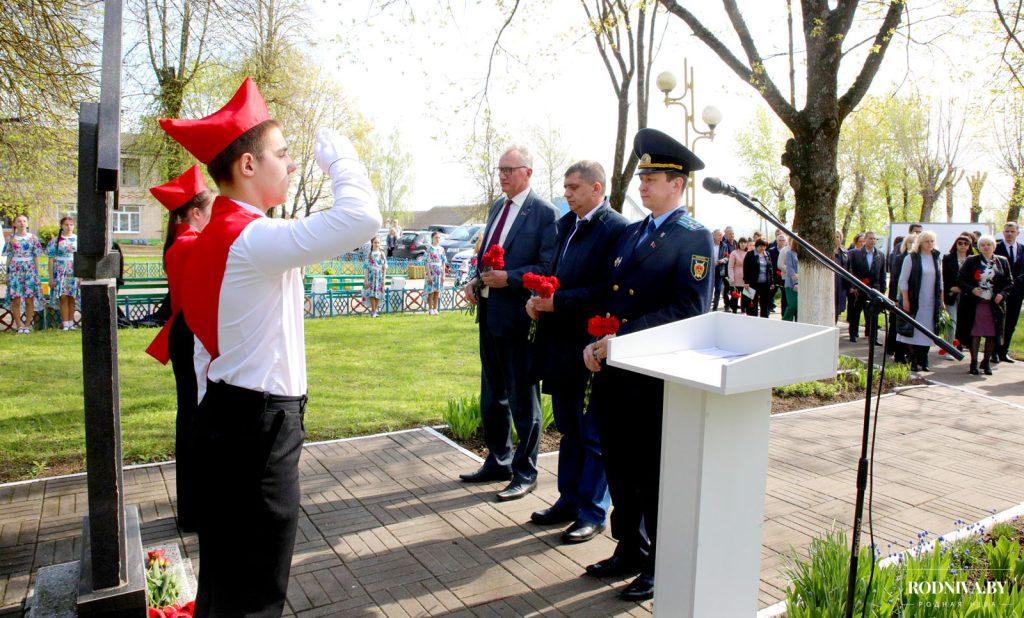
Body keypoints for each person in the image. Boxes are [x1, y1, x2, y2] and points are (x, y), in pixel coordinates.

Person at [160, 77, 381, 616]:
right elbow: (361, 218)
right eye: (282, 154)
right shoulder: (250, 237)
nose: (292, 164)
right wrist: (343, 162)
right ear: (248, 166)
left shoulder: (230, 232)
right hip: (257, 429)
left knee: (229, 582)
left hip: (235, 416)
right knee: (256, 591)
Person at [581, 128, 712, 602]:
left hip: (653, 377)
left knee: (651, 473)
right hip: (617, 372)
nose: (642, 185)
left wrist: (621, 340)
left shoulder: (692, 237)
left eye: (652, 177)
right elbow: (608, 297)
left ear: (677, 184)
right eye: (641, 177)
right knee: (619, 466)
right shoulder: (633, 233)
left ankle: (659, 561)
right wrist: (595, 343)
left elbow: (687, 309)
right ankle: (629, 549)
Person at [527, 160, 626, 545]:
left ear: (596, 189)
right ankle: (568, 501)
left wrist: (560, 302)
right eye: (565, 187)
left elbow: (606, 290)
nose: (566, 194)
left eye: (573, 187)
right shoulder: (566, 224)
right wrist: (538, 298)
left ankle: (593, 511)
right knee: (568, 428)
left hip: (589, 345)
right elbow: (555, 274)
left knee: (592, 433)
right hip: (560, 344)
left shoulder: (614, 229)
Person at [459, 144, 558, 502]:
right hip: (489, 314)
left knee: (521, 397)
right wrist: (476, 280)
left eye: (509, 170)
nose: (502, 175)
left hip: (518, 317)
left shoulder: (544, 213)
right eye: (499, 169)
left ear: (528, 172)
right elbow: (487, 257)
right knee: (492, 396)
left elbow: (546, 268)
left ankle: (526, 471)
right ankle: (498, 459)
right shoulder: (498, 207)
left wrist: (510, 278)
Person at [144, 165, 214, 534]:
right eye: (212, 208)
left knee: (192, 416)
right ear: (195, 213)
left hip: (185, 333)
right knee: (194, 419)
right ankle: (194, 510)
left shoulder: (181, 241)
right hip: (191, 335)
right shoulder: (190, 243)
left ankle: (194, 508)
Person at [957, 235, 1014, 375]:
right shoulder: (971, 260)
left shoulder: (1002, 261)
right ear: (979, 247)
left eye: (989, 244)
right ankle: (974, 362)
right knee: (975, 333)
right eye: (983, 245)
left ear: (994, 246)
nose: (986, 247)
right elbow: (960, 279)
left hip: (994, 305)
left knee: (992, 334)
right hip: (975, 304)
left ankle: (986, 361)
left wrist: (1002, 294)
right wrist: (971, 289)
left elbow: (1010, 282)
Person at [896, 231, 943, 372]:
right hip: (915, 299)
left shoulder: (936, 258)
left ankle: (924, 358)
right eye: (927, 241)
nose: (930, 244)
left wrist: (941, 300)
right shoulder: (911, 258)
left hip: (930, 300)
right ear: (921, 243)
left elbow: (941, 281)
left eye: (932, 241)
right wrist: (905, 299)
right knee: (913, 329)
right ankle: (913, 358)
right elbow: (903, 280)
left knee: (928, 329)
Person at [3, 215, 44, 334]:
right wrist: (7, 274)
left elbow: (36, 257)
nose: (22, 223)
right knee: (15, 299)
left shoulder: (33, 238)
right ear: (15, 224)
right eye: (19, 221)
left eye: (24, 221)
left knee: (29, 299)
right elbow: (9, 257)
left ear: (27, 223)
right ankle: (19, 325)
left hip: (30, 269)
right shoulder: (11, 238)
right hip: (15, 269)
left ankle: (27, 326)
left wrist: (37, 273)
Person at [847, 231, 886, 343]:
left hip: (874, 290)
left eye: (874, 239)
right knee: (855, 313)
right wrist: (853, 286)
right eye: (870, 238)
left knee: (872, 315)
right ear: (865, 239)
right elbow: (850, 271)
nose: (873, 241)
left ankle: (873, 337)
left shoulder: (880, 255)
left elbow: (882, 274)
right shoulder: (855, 253)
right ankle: (853, 334)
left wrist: (882, 291)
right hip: (859, 289)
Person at [995, 222, 1023, 363]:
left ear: (1018, 233)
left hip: (1017, 293)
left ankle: (1003, 352)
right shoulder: (996, 248)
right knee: (997, 322)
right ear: (1003, 232)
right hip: (999, 292)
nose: (1009, 234)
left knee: (1011, 323)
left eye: (1012, 231)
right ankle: (993, 352)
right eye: (1007, 231)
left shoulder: (1022, 249)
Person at [46, 216, 80, 331]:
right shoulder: (56, 240)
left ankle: (71, 322)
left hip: (74, 270)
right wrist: (51, 278)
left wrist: (82, 275)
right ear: (62, 226)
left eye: (71, 224)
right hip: (60, 271)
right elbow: (50, 259)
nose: (69, 227)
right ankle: (65, 323)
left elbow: (82, 258)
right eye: (66, 224)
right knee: (63, 296)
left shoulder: (78, 239)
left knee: (72, 296)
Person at [942, 233, 975, 351]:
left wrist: (966, 288)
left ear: (969, 246)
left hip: (967, 295)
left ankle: (960, 344)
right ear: (956, 244)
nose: (962, 245)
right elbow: (943, 277)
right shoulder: (947, 258)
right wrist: (950, 288)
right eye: (960, 243)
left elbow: (975, 279)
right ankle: (948, 348)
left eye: (966, 244)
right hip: (951, 294)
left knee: (964, 322)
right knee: (952, 321)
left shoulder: (973, 259)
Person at [886, 234, 911, 364]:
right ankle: (897, 351)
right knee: (898, 325)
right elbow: (896, 279)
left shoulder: (919, 258)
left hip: (913, 298)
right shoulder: (900, 258)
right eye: (910, 243)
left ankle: (908, 352)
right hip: (900, 296)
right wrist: (896, 297)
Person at [743, 238, 775, 318]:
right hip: (752, 283)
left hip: (765, 284)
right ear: (756, 246)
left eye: (764, 246)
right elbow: (745, 268)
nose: (763, 248)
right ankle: (752, 320)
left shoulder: (767, 254)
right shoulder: (750, 254)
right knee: (752, 303)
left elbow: (770, 268)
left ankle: (764, 320)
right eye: (761, 246)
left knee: (765, 303)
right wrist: (746, 282)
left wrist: (771, 282)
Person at [363, 235, 387, 317]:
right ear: (372, 243)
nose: (376, 244)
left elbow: (385, 268)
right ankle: (373, 311)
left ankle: (375, 311)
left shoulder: (382, 254)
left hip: (379, 276)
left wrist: (384, 279)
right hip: (371, 277)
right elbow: (366, 268)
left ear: (380, 244)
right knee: (372, 294)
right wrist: (366, 279)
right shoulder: (370, 254)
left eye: (378, 242)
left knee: (378, 293)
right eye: (375, 242)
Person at [423, 231, 446, 315]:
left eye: (439, 237)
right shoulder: (429, 249)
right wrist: (428, 275)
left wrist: (443, 274)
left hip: (439, 272)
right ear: (432, 238)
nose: (438, 239)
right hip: (431, 271)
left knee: (437, 290)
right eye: (436, 237)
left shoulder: (441, 249)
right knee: (431, 291)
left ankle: (435, 308)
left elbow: (443, 262)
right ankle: (430, 309)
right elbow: (426, 262)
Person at [727, 237, 749, 314]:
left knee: (746, 298)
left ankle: (744, 312)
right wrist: (731, 277)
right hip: (735, 279)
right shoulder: (734, 253)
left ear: (747, 244)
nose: (743, 244)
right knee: (734, 299)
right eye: (741, 242)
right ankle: (734, 312)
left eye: (744, 243)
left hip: (746, 280)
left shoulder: (749, 253)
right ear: (738, 244)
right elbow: (730, 267)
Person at [719, 227, 737, 312]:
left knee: (734, 288)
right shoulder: (723, 244)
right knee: (727, 288)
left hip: (735, 270)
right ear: (725, 234)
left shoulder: (736, 243)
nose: (732, 235)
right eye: (730, 234)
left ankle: (733, 303)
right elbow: (723, 256)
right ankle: (727, 305)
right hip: (726, 270)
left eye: (733, 233)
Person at [834, 231, 849, 323]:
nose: (836, 239)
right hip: (830, 283)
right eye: (834, 237)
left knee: (837, 309)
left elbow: (848, 269)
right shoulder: (825, 252)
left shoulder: (845, 252)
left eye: (838, 237)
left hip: (841, 284)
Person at [782, 240, 798, 321]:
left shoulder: (804, 254)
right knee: (792, 306)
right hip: (791, 284)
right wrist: (796, 282)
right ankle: (785, 321)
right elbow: (789, 268)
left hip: (802, 283)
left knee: (799, 307)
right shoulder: (789, 253)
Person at [710, 229, 723, 311]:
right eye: (718, 235)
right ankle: (707, 305)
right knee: (710, 288)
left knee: (718, 289)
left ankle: (715, 307)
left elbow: (727, 257)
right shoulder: (709, 244)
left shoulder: (724, 245)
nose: (720, 236)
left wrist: (722, 260)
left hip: (719, 269)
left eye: (721, 235)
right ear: (714, 236)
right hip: (710, 270)